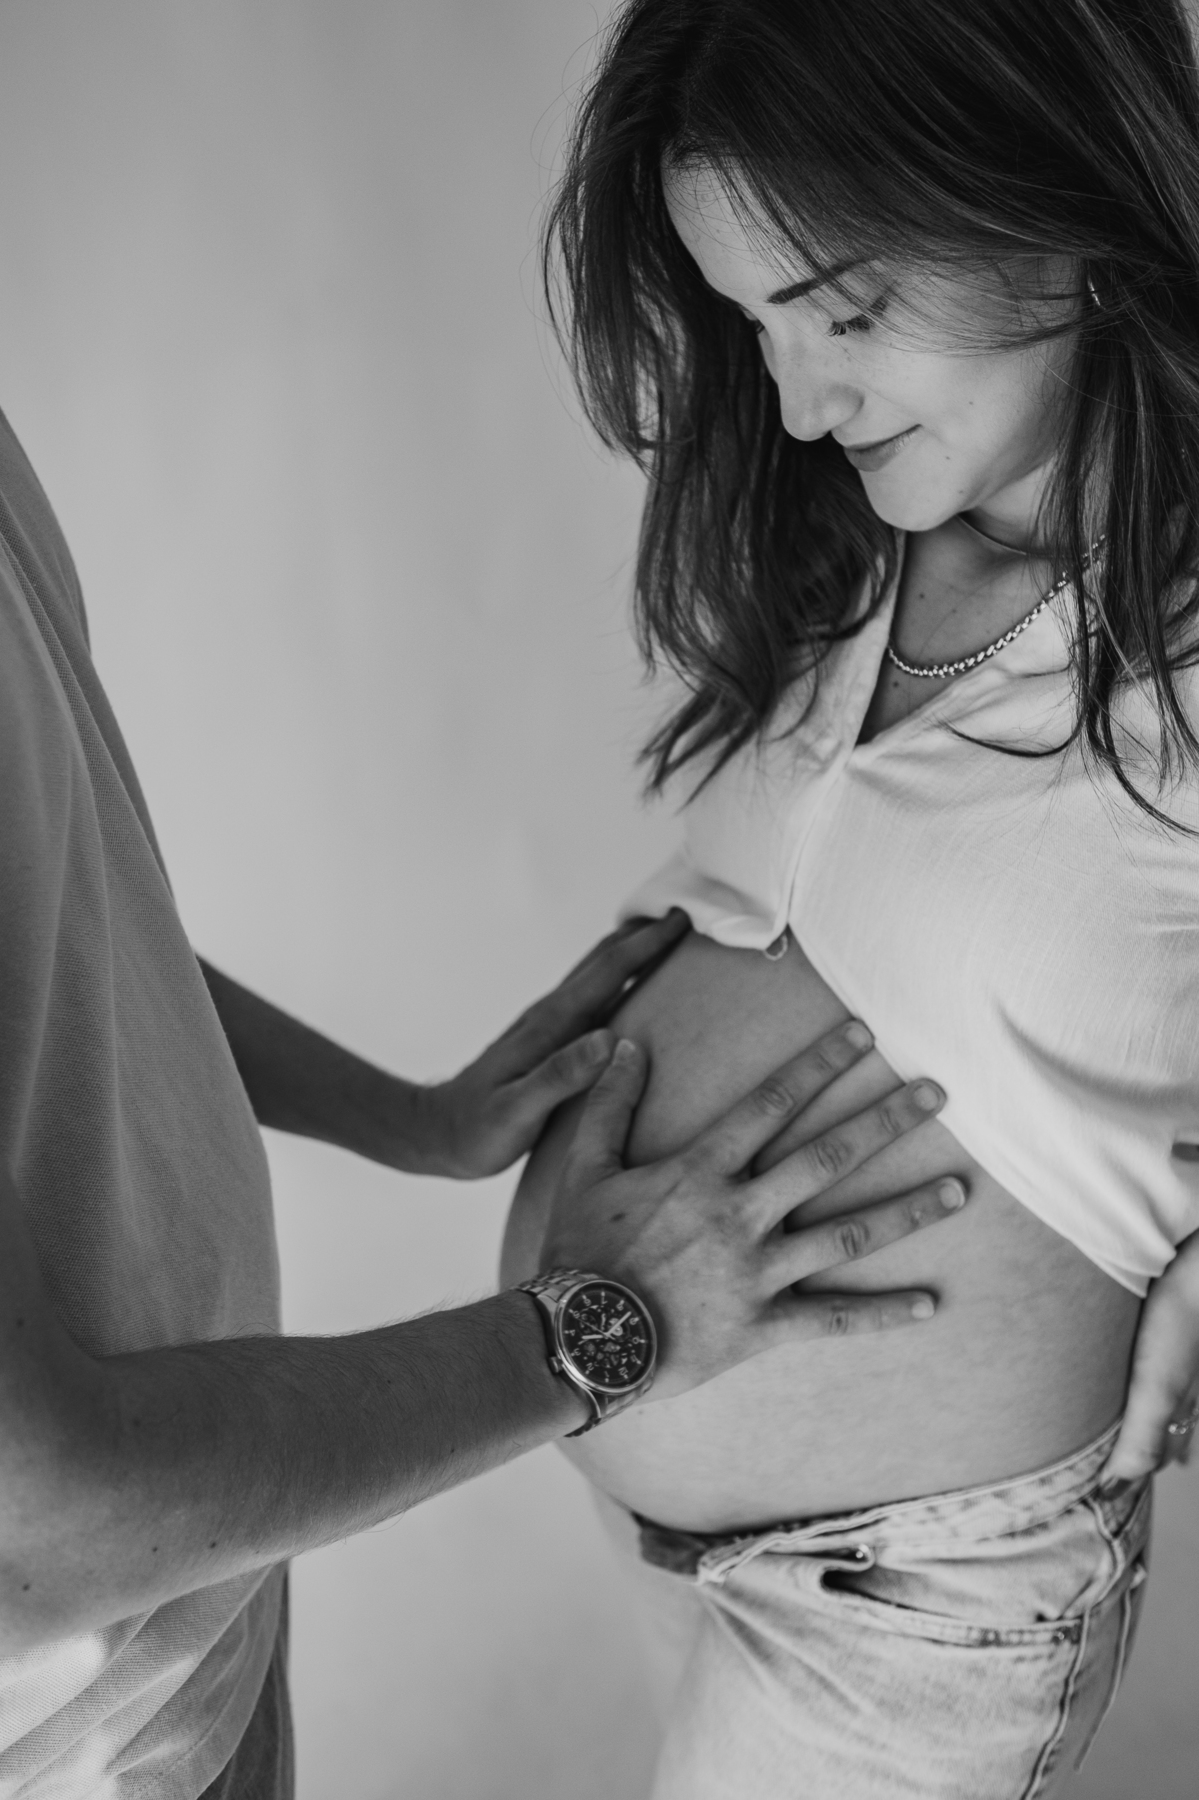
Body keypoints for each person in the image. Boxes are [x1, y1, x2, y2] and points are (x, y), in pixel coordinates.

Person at [0, 363, 974, 1800]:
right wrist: (600, 1327)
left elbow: (56, 932)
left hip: (193, 1629)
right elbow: (40, 1521)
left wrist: (408, 1117)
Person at [501, 1, 1199, 1794]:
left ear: (1059, 200)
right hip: (657, 1513)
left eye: (846, 310)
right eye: (754, 322)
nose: (800, 402)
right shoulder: (862, 538)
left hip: (908, 1599)